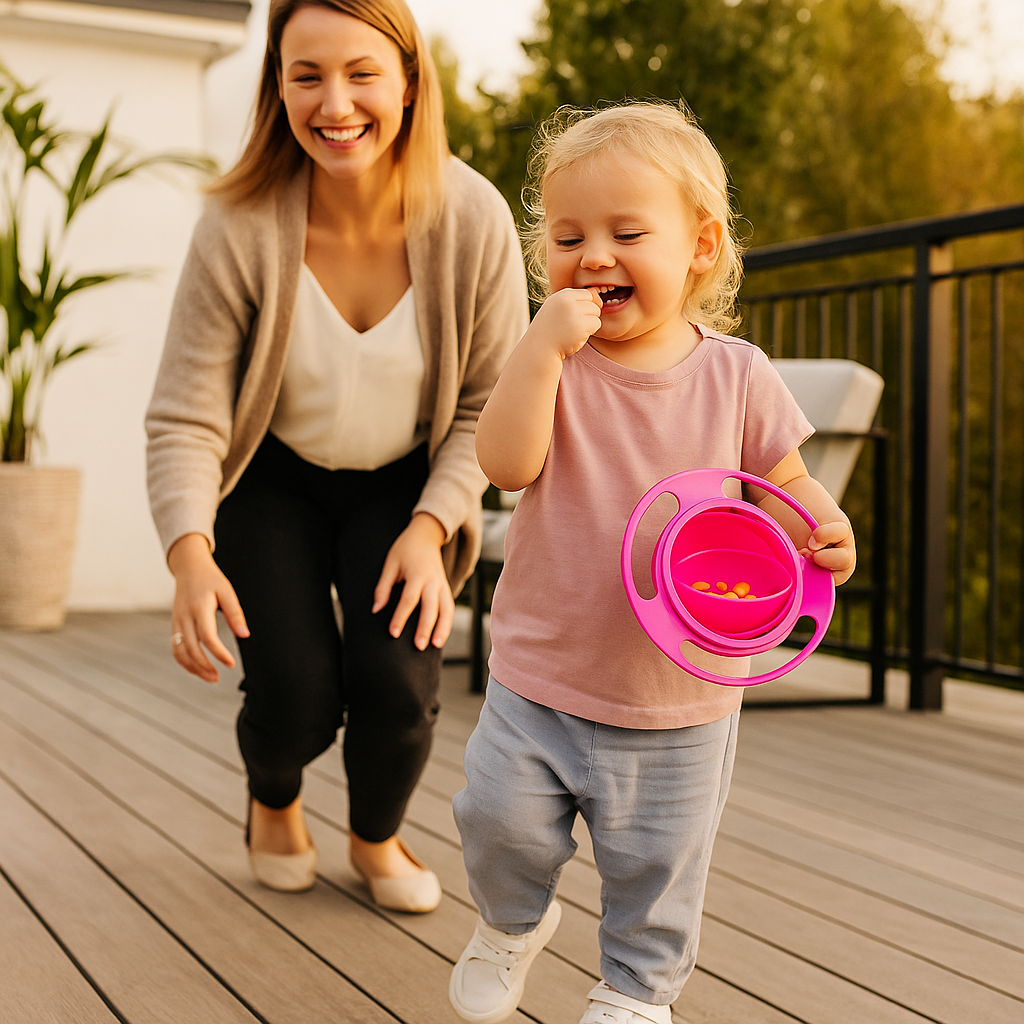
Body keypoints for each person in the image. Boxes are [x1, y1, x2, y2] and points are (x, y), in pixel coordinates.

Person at [448, 102, 856, 1023]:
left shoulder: (738, 374)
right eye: (566, 236)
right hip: (543, 673)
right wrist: (542, 349)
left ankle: (636, 994)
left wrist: (825, 528)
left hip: (682, 687)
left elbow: (786, 486)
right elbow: (506, 464)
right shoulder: (552, 362)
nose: (593, 255)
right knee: (499, 821)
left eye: (627, 232)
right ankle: (511, 925)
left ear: (700, 247)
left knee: (660, 861)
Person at [145, 0, 527, 911]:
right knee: (296, 689)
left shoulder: (472, 217)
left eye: (361, 73)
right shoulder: (238, 224)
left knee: (397, 681)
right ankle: (273, 801)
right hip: (271, 478)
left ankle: (373, 838)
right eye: (306, 75)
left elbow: (492, 403)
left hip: (405, 486)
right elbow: (189, 415)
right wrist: (188, 554)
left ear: (408, 80)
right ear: (276, 85)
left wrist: (434, 524)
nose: (335, 102)